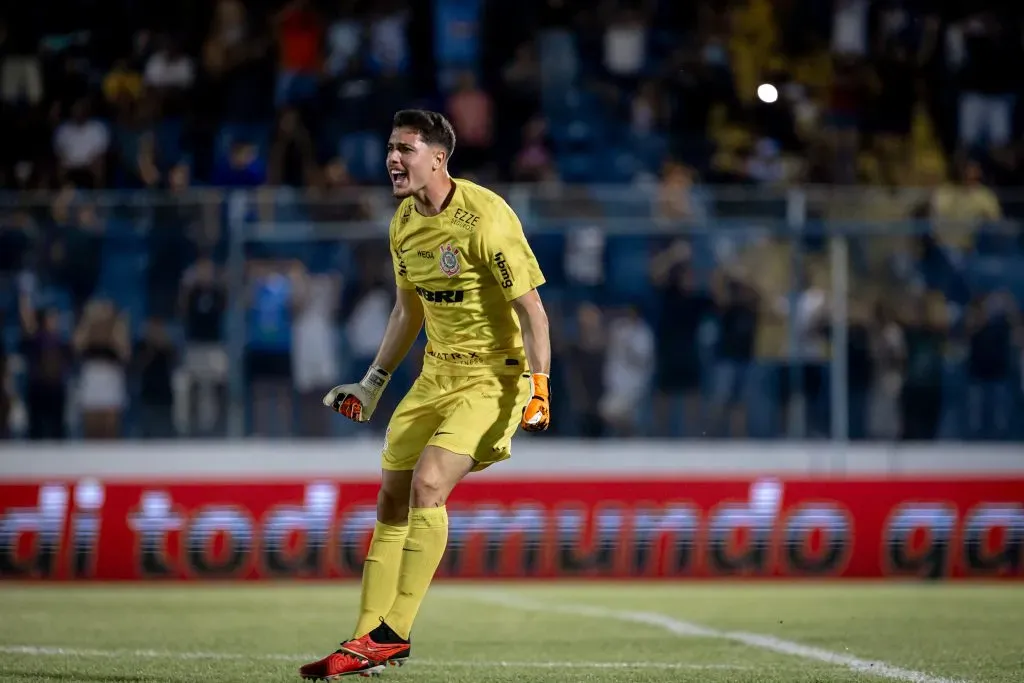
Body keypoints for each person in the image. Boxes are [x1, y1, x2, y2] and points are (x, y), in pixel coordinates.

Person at [300, 110, 551, 678]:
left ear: (439, 157)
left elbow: (532, 309)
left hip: (494, 377)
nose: (392, 158)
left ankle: (394, 634)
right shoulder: (403, 224)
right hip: (434, 376)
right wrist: (372, 385)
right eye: (390, 147)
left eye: (405, 148)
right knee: (391, 499)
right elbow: (407, 309)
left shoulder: (486, 217)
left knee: (429, 483)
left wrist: (539, 388)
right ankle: (364, 641)